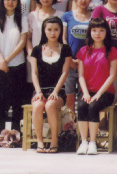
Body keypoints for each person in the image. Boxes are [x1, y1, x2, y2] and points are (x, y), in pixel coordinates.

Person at [75, 18, 117, 155]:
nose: (97, 33)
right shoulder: (83, 51)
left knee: (93, 106)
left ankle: (93, 142)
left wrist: (99, 94)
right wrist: (85, 93)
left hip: (105, 92)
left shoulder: (111, 51)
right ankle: (84, 141)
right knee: (82, 106)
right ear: (89, 32)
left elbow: (112, 75)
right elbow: (81, 75)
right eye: (94, 30)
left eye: (101, 30)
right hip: (87, 90)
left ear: (106, 32)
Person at [29, 17, 72, 153]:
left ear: (60, 31)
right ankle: (40, 141)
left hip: (58, 91)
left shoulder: (65, 49)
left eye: (56, 29)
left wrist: (55, 92)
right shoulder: (36, 50)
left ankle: (54, 140)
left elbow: (64, 73)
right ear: (44, 31)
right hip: (40, 90)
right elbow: (34, 73)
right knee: (37, 105)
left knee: (50, 105)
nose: (53, 33)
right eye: (49, 29)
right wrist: (38, 92)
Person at [0, 0, 28, 135]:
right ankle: (1, 134)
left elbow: (22, 42)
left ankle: (15, 133)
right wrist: (1, 60)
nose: (10, 2)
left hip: (17, 64)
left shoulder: (22, 19)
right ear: (2, 1)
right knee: (0, 100)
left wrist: (7, 60)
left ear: (18, 2)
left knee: (17, 101)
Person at [62, 0, 94, 113]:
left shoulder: (94, 16)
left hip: (87, 63)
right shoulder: (67, 16)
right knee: (69, 97)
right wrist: (69, 59)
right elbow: (63, 39)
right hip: (69, 62)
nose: (83, 0)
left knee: (84, 98)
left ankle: (82, 124)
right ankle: (70, 124)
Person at [26, 0, 64, 87]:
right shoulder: (32, 16)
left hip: (55, 59)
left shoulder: (61, 15)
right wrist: (32, 56)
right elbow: (28, 39)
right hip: (34, 60)